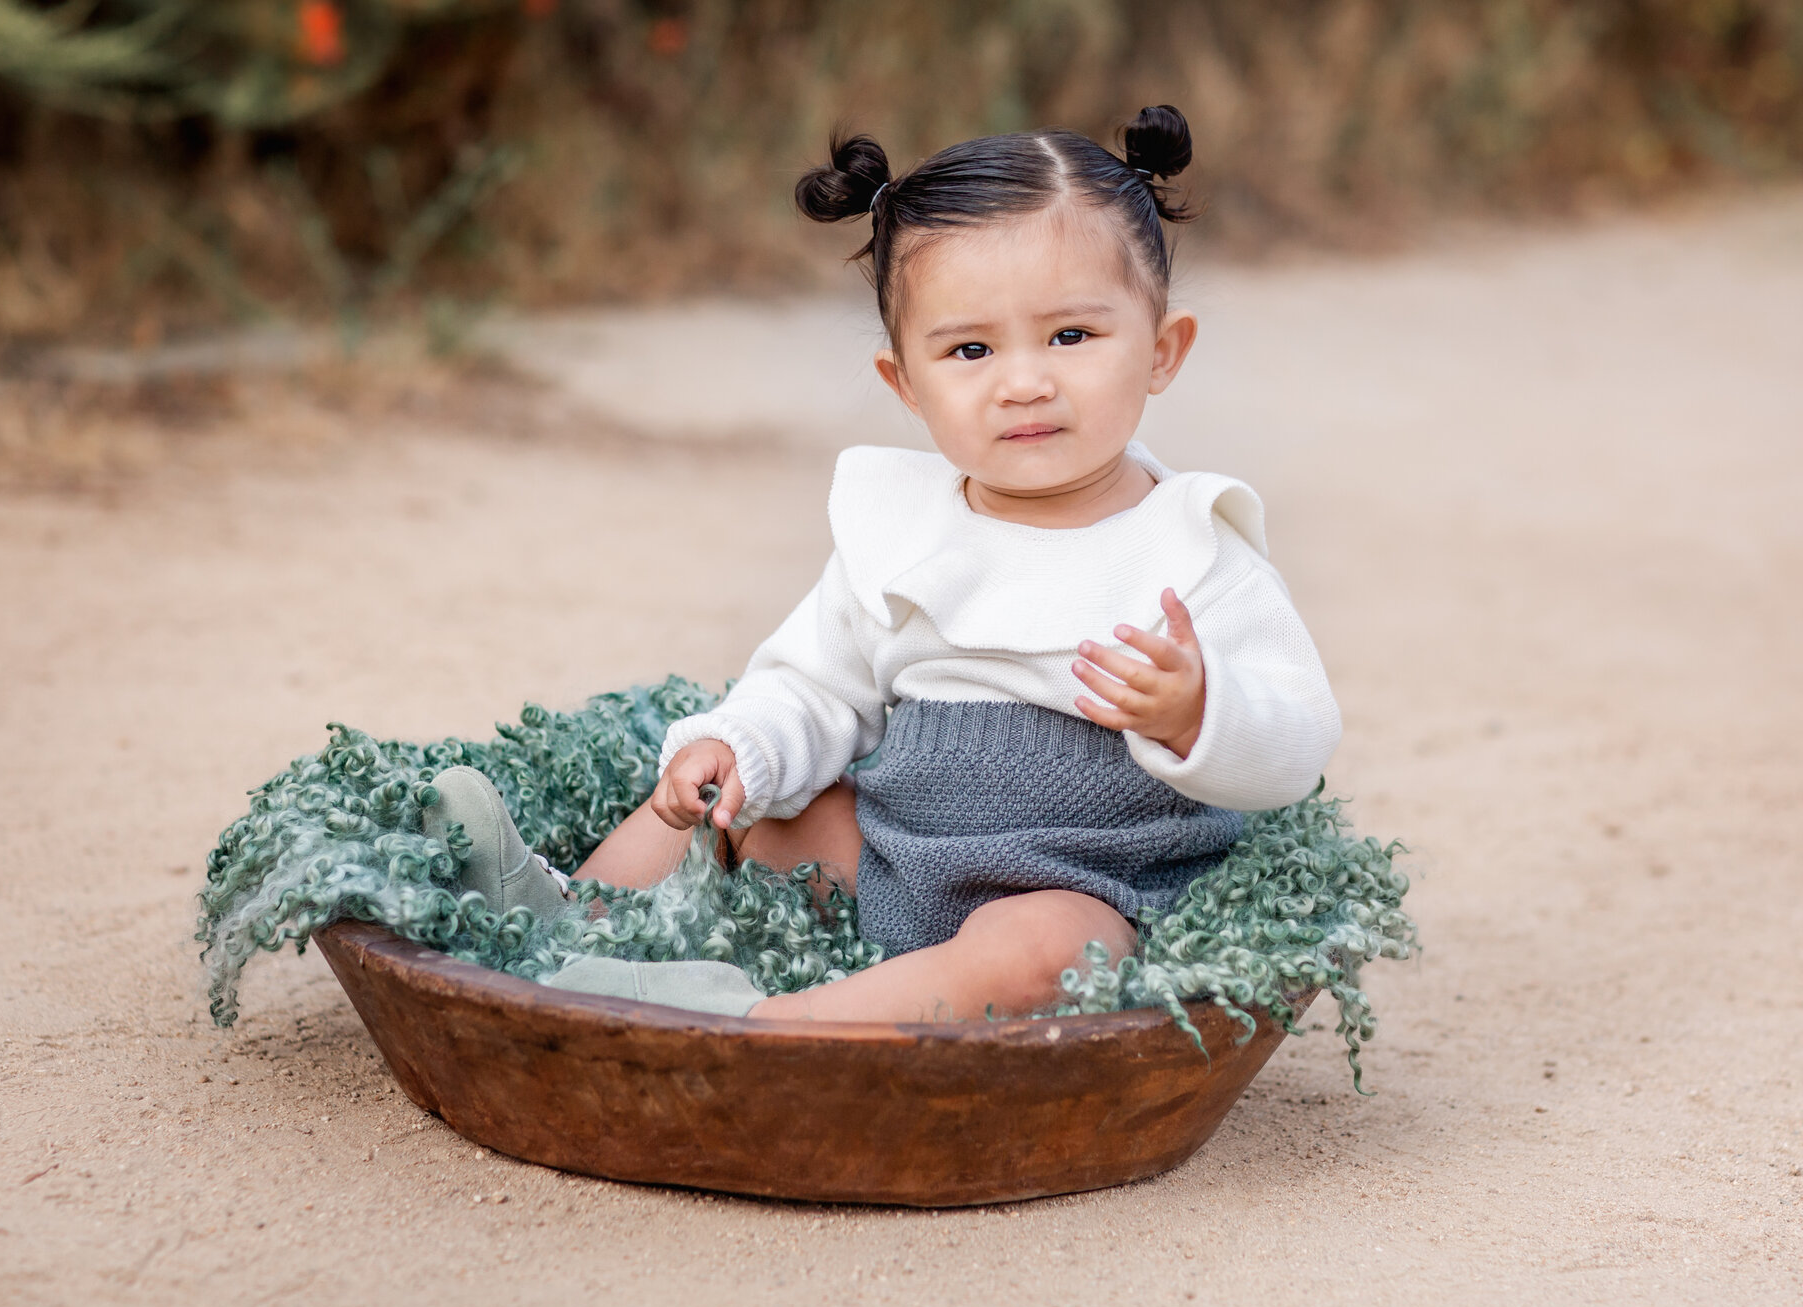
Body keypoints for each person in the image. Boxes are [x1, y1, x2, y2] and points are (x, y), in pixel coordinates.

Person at [428, 105, 1342, 1020]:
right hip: (894, 868)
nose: (1023, 381)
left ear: (1161, 351)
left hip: (1089, 892)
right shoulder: (899, 529)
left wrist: (1197, 711)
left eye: (1071, 337)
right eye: (970, 350)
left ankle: (763, 1024)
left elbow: (1296, 741)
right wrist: (740, 744)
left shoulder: (1192, 545)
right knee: (746, 805)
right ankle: (560, 929)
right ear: (905, 382)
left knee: (1049, 950)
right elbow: (816, 685)